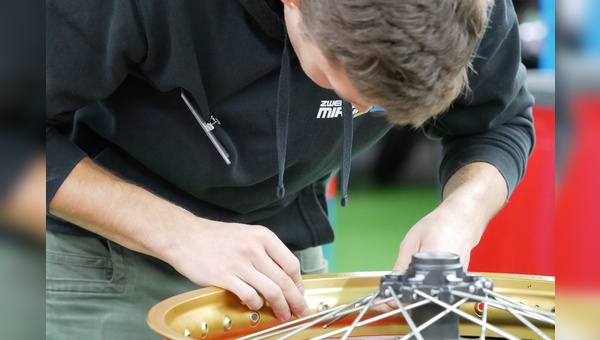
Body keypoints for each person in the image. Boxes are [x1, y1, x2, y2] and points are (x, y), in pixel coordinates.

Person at [46, 0, 534, 338]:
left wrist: (459, 217)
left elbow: (499, 120)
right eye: (339, 84)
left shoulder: (469, 13)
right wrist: (179, 233)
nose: (362, 112)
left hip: (282, 264)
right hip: (96, 251)